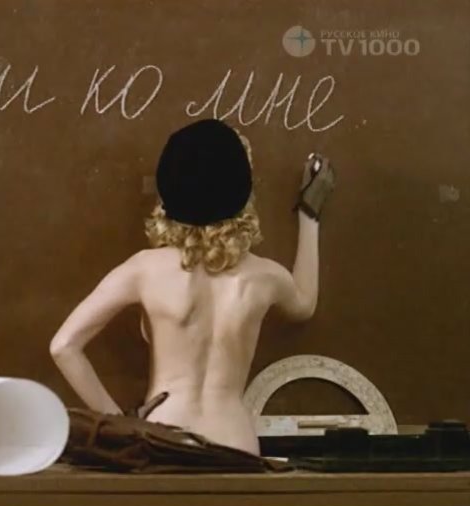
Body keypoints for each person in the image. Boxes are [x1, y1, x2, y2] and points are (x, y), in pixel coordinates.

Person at [49, 119, 336, 455]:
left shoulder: (144, 270)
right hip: (235, 443)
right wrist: (309, 214)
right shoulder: (265, 276)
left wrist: (120, 424)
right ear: (242, 192)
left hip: (165, 439)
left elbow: (63, 346)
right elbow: (304, 304)